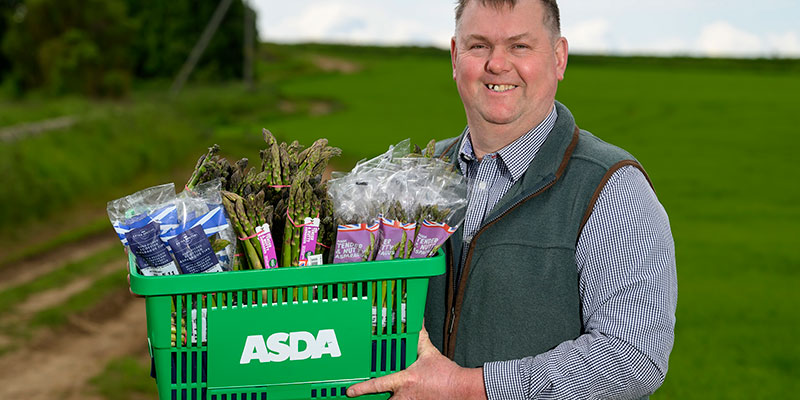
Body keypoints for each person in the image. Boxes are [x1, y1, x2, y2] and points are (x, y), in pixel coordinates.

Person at [347, 0, 677, 399]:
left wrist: (466, 389)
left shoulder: (611, 187)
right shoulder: (415, 179)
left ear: (558, 58)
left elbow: (633, 358)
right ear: (455, 57)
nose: (497, 65)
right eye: (479, 46)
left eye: (519, 46)